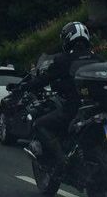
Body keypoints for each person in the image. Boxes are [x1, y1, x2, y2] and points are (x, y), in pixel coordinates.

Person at [25, 22, 102, 166]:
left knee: (40, 124)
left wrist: (30, 85)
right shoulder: (98, 59)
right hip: (97, 108)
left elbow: (45, 78)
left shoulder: (63, 60)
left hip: (73, 109)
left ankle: (61, 160)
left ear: (67, 39)